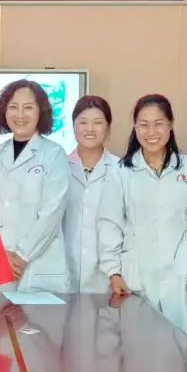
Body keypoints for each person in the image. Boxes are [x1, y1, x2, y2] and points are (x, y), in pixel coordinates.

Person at [98, 94, 187, 341]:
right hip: (136, 276)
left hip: (181, 276)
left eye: (158, 124)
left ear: (170, 124)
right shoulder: (121, 172)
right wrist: (113, 272)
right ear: (135, 128)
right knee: (139, 347)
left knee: (181, 347)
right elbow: (109, 224)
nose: (151, 132)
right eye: (143, 125)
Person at [0, 79, 69, 292]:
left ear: (41, 112)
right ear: (4, 111)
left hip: (39, 264)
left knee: (38, 314)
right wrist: (0, 254)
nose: (20, 115)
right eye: (13, 107)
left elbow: (52, 212)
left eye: (28, 107)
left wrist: (22, 256)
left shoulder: (54, 154)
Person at [62, 95, 119, 293]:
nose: (90, 129)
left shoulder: (120, 170)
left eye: (98, 122)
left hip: (105, 279)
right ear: (73, 126)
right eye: (83, 122)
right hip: (62, 273)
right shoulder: (58, 167)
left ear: (108, 128)